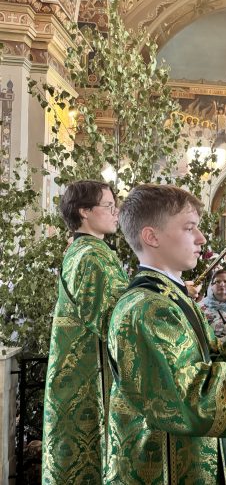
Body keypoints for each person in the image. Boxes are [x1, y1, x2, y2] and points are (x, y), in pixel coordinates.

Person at [106, 184, 226, 483]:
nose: (201, 238)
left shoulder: (169, 296)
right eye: (189, 228)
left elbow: (207, 358)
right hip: (165, 468)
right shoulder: (149, 308)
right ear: (151, 237)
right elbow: (195, 401)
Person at [42, 180, 129, 484]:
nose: (116, 212)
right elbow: (116, 319)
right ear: (84, 211)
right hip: (89, 378)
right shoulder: (91, 255)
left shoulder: (87, 250)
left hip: (80, 372)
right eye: (109, 206)